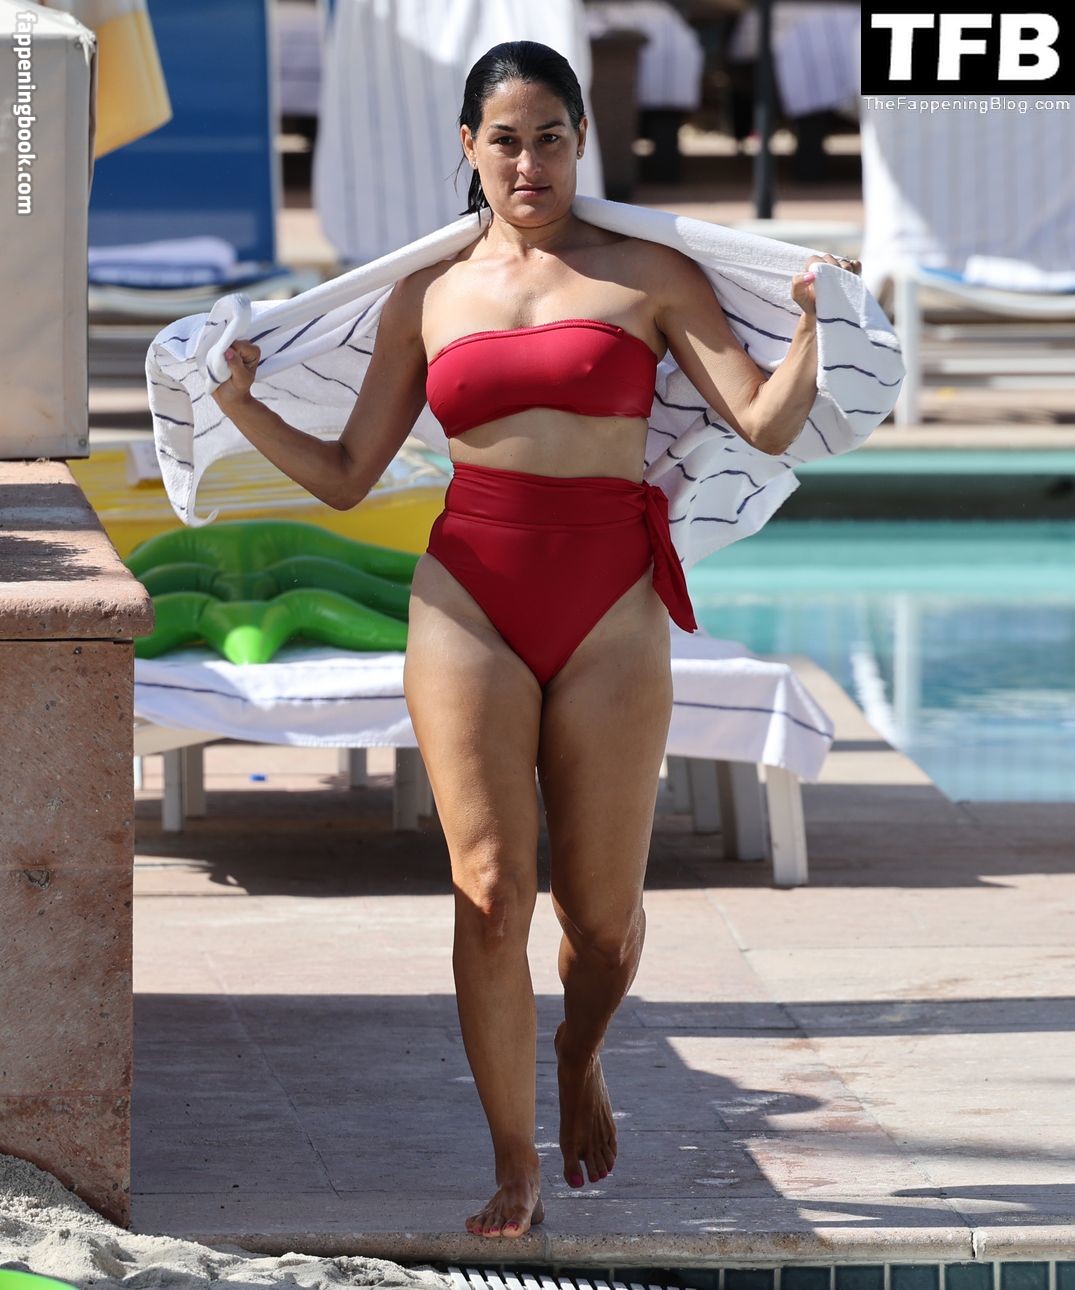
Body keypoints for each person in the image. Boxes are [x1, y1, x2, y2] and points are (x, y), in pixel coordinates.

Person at [210, 40, 861, 1241]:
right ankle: (514, 1159)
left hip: (610, 602)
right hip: (468, 595)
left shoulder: (648, 275)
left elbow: (765, 423)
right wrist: (240, 406)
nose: (528, 163)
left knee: (601, 924)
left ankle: (579, 1048)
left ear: (580, 141)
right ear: (468, 148)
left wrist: (818, 325)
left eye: (549, 137)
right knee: (492, 890)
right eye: (504, 141)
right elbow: (349, 475)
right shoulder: (424, 295)